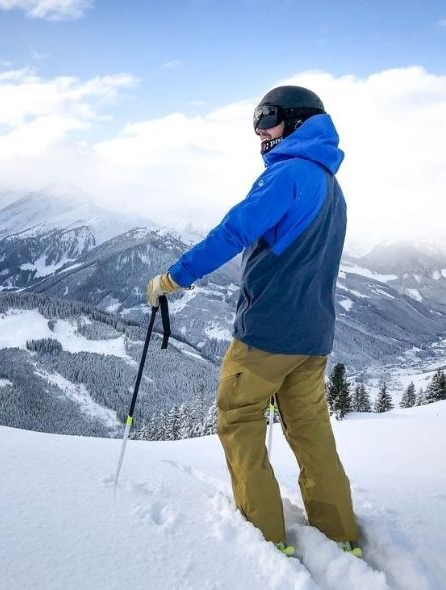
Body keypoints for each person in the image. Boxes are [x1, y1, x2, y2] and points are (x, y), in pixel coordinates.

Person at [145, 85, 361, 557]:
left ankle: (264, 539)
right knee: (310, 430)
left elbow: (233, 231)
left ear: (299, 122)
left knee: (239, 418)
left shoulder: (286, 176)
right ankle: (341, 534)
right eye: (256, 121)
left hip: (266, 334)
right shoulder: (331, 185)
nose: (260, 131)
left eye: (268, 118)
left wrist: (172, 278)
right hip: (313, 335)